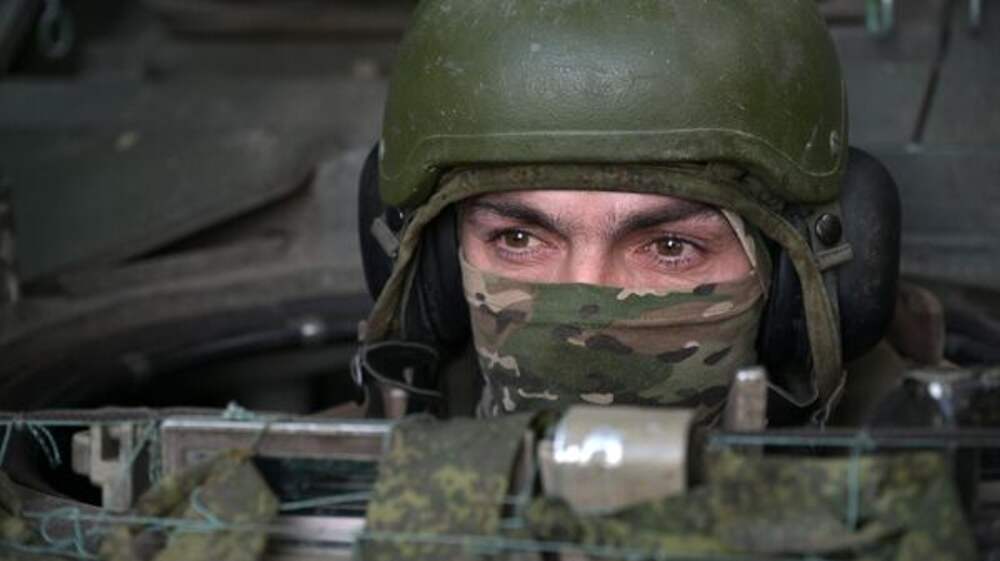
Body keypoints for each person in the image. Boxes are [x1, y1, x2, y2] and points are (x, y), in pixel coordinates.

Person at [356, 0, 904, 427]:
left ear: (795, 283)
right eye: (517, 239)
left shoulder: (912, 487)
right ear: (432, 266)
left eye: (670, 247)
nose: (585, 309)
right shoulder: (340, 478)